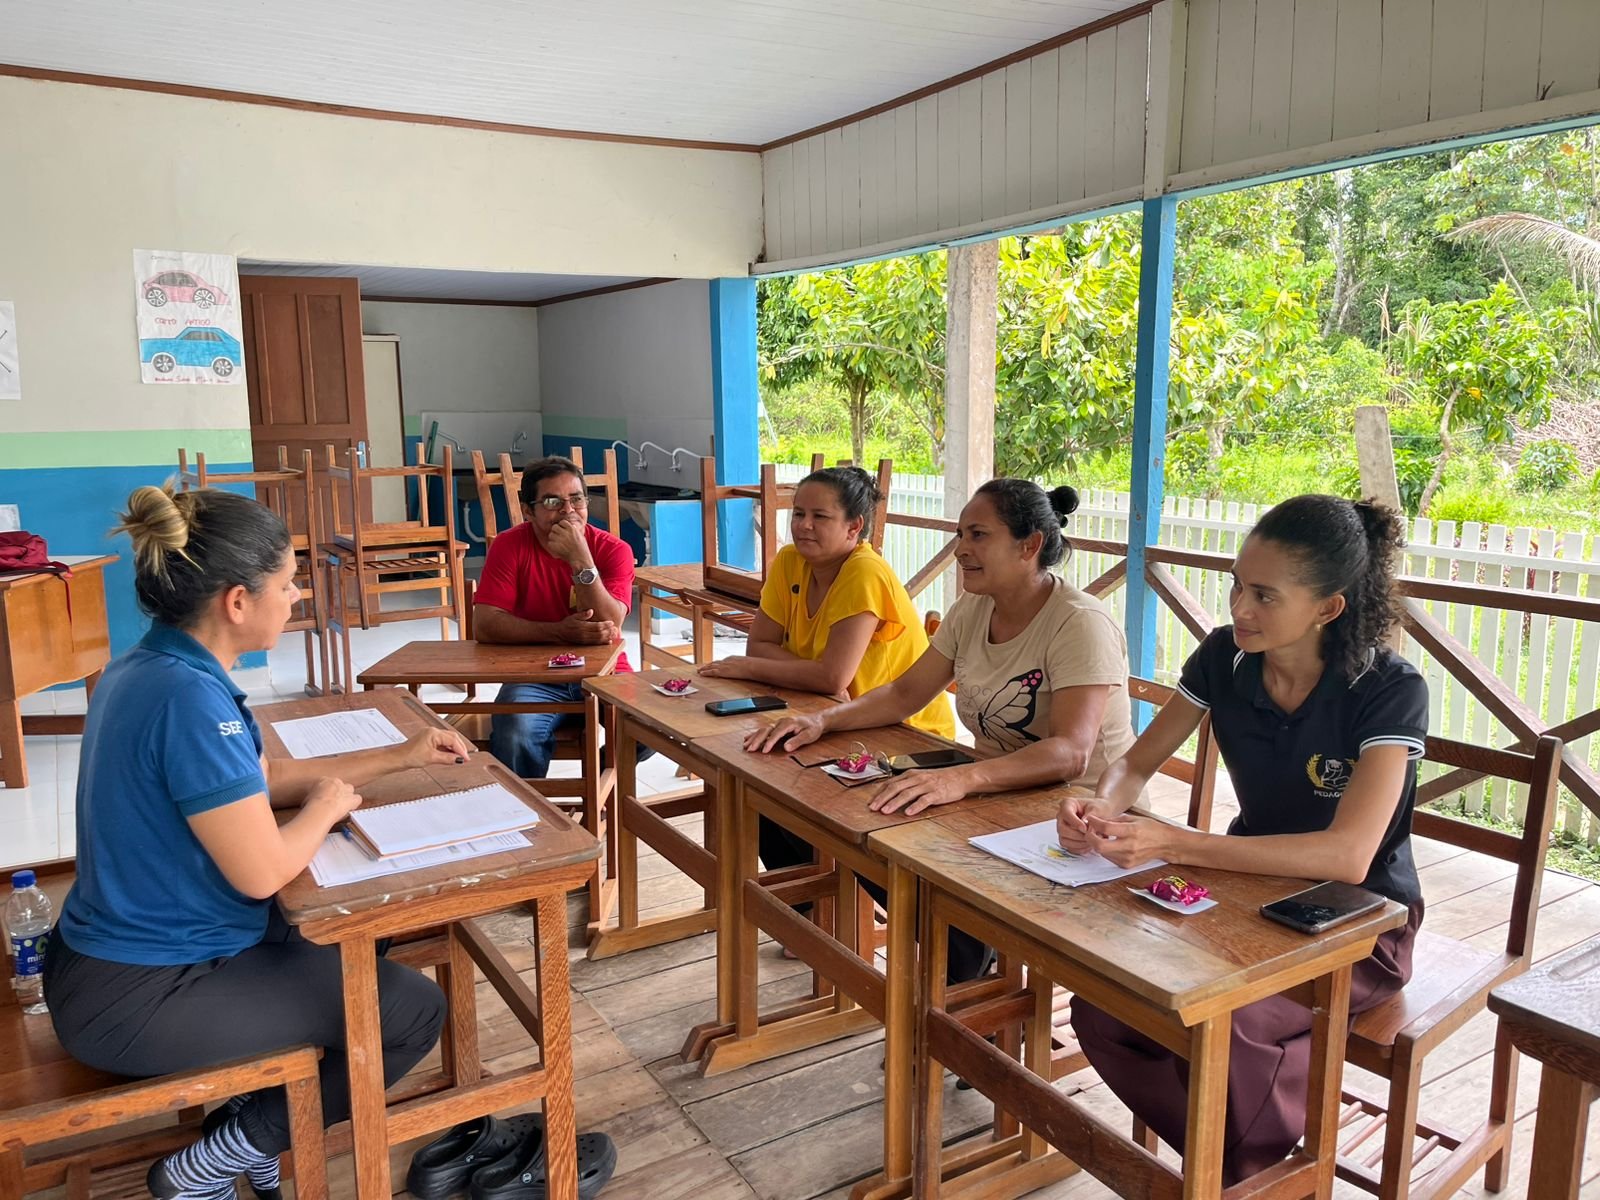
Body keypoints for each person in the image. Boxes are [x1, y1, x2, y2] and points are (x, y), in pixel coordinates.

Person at [45, 485, 461, 1200]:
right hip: (139, 995)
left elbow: (266, 781)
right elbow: (262, 871)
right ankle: (213, 1161)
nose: (297, 596)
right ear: (237, 601)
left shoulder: (158, 667)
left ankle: (256, 1120)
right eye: (288, 583)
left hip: (130, 960)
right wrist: (327, 808)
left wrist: (402, 753)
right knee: (412, 1013)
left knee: (365, 934)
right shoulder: (187, 701)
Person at [1059, 493, 1427, 1186]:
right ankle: (1243, 1163)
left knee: (1228, 1024)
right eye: (1236, 585)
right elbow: (1137, 761)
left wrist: (1175, 842)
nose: (1239, 608)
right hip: (1241, 895)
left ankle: (1239, 1167)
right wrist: (1095, 806)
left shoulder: (1389, 689)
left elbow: (1347, 856)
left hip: (1360, 918)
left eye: (1263, 594)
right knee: (1106, 1005)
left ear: (1328, 608)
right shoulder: (1226, 657)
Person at [748, 478, 1136, 980]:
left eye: (978, 536)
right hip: (999, 795)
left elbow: (1070, 753)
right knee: (852, 815)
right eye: (960, 535)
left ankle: (968, 986)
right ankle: (948, 965)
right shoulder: (974, 608)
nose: (962, 550)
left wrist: (961, 780)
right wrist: (822, 720)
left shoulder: (1079, 623)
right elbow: (905, 694)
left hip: (1078, 813)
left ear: (1030, 545)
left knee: (913, 852)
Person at [699, 465, 954, 876]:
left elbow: (832, 678)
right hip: (830, 719)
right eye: (798, 513)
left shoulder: (864, 571)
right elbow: (762, 645)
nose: (804, 526)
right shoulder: (788, 562)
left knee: (784, 797)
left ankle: (823, 914)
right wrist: (799, 667)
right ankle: (811, 914)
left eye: (820, 517)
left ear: (854, 527)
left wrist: (755, 667)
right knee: (746, 784)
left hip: (903, 737)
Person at [473, 455, 636, 779]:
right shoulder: (509, 546)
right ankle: (529, 815)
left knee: (650, 728)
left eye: (576, 499)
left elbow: (609, 624)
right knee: (515, 733)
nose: (568, 511)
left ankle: (600, 782)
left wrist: (580, 559)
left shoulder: (613, 549)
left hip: (605, 669)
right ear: (528, 510)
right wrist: (558, 633)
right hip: (536, 673)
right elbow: (485, 624)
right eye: (552, 501)